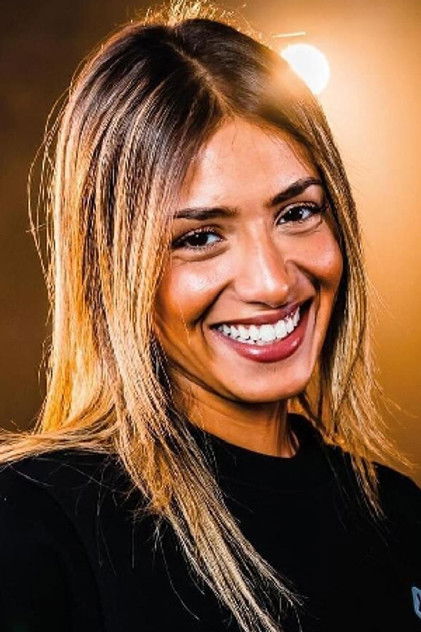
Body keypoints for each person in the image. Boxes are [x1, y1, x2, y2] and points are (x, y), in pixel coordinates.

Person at [0, 2, 420, 631]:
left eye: (296, 213)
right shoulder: (32, 524)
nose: (273, 281)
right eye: (199, 238)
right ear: (112, 269)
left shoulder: (399, 515)